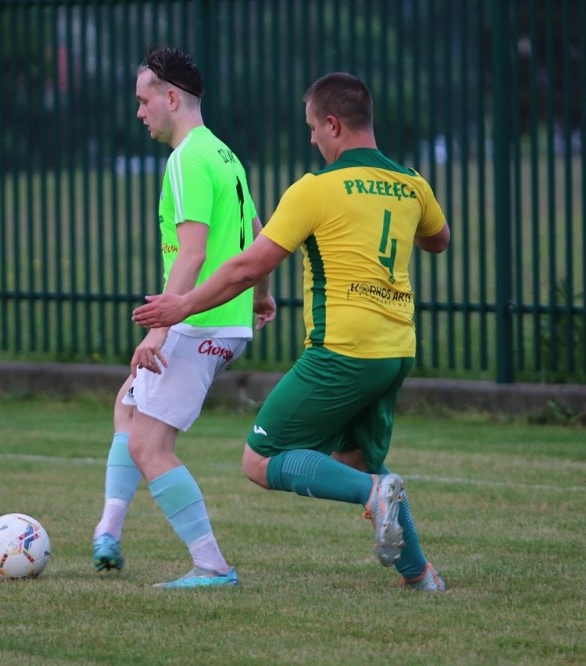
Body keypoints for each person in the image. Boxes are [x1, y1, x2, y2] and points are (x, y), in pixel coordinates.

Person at [132, 72, 450, 591]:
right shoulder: (412, 182)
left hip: (340, 350)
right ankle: (420, 575)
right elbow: (439, 239)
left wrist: (182, 305)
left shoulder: (315, 189)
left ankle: (374, 496)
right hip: (396, 352)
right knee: (357, 461)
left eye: (313, 128)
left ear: (333, 125)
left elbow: (247, 266)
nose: (312, 139)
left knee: (261, 460)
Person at [90, 46, 276, 588]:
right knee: (127, 405)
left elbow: (192, 254)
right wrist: (260, 295)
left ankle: (212, 566)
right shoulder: (223, 154)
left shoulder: (186, 159)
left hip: (198, 322)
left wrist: (159, 329)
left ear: (171, 98)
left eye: (143, 100)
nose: (139, 112)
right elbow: (259, 234)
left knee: (149, 445)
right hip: (224, 320)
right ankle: (108, 531)